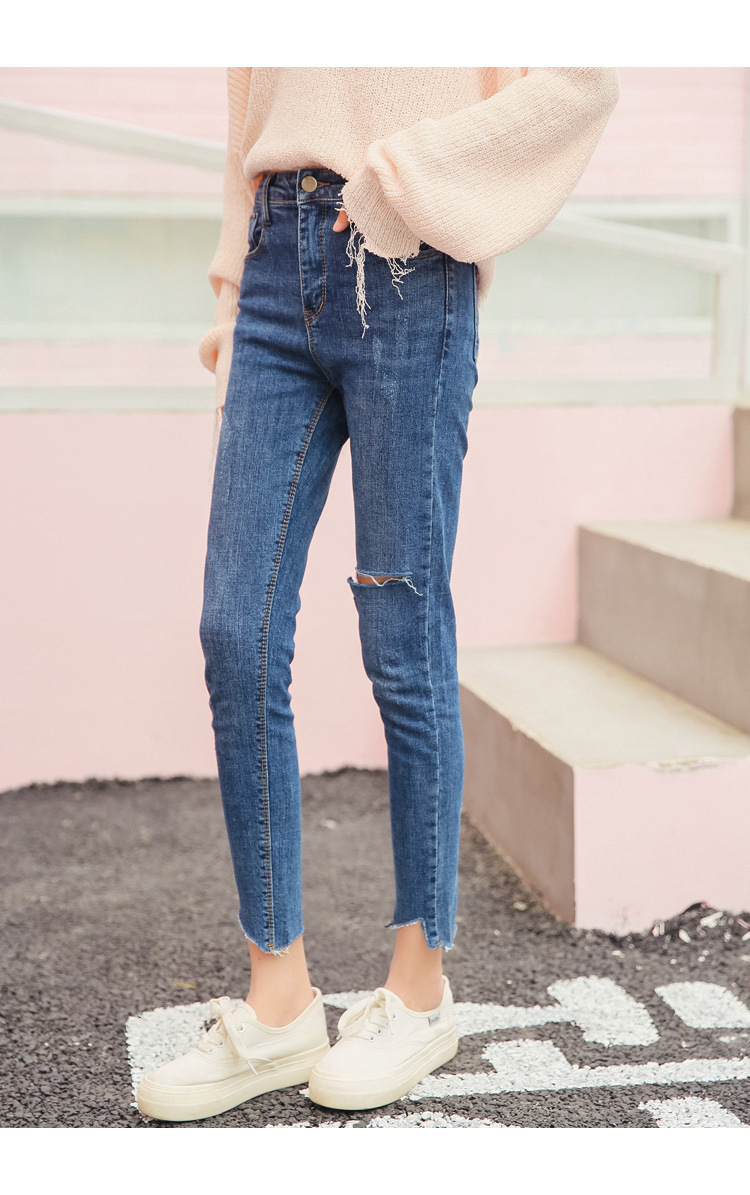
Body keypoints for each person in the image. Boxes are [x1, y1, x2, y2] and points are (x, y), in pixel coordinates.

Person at [136, 65, 620, 1122]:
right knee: (234, 631)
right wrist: (233, 296)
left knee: (402, 639)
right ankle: (279, 1001)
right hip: (273, 270)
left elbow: (581, 79)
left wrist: (403, 177)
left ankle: (419, 988)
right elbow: (248, 118)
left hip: (409, 274)